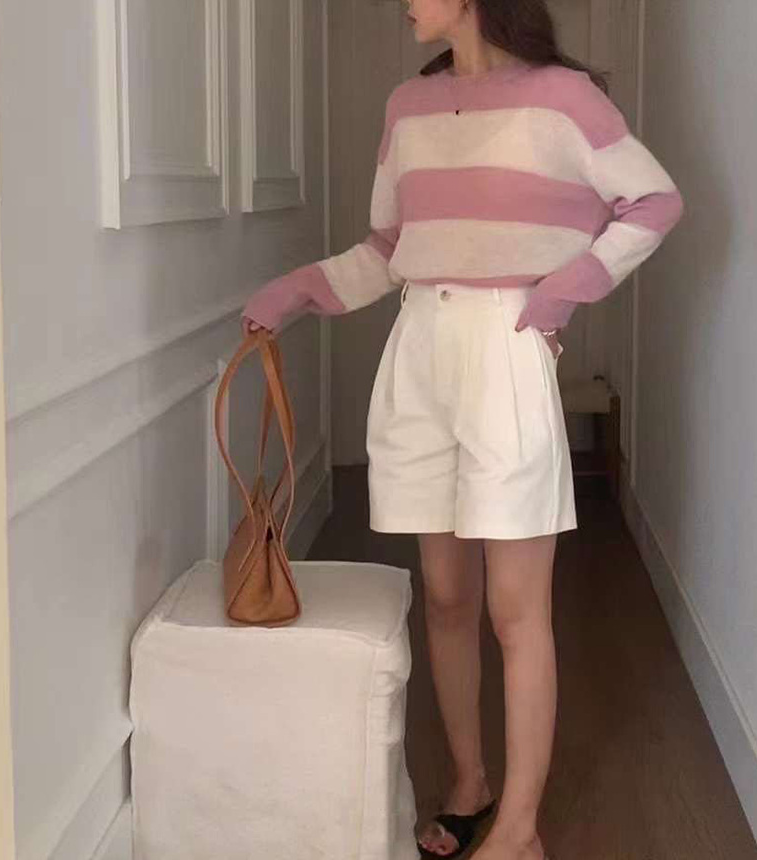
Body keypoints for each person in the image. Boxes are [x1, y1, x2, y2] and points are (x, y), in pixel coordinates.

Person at [241, 1, 684, 858]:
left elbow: (656, 200)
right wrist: (296, 291)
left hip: (505, 348)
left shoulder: (564, 98)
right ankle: (471, 782)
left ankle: (519, 828)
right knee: (446, 596)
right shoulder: (406, 107)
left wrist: (564, 289)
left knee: (518, 609)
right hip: (420, 349)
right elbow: (388, 248)